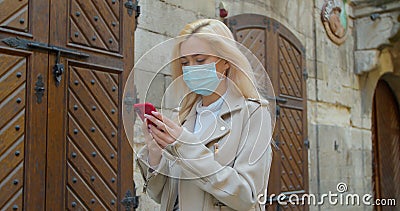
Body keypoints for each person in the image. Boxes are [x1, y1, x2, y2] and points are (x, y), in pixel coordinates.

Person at [136, 19, 273, 211]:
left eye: (200, 60)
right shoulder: (183, 115)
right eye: (185, 62)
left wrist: (184, 146)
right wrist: (155, 153)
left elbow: (247, 196)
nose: (191, 68)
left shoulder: (253, 114)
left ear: (226, 61)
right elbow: (162, 195)